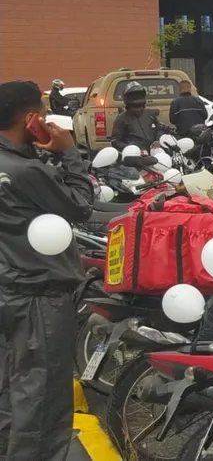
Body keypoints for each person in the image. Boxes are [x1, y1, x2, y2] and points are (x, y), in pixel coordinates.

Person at [0, 80, 95, 461]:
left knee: (11, 389)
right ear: (32, 119)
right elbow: (80, 205)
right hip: (39, 295)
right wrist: (70, 153)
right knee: (43, 397)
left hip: (7, 285)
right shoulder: (24, 171)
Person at [111, 81, 168, 151]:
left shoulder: (150, 114)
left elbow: (160, 129)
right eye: (134, 107)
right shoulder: (121, 118)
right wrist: (129, 148)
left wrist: (158, 140)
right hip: (134, 155)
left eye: (140, 106)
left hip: (154, 151)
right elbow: (115, 140)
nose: (138, 110)